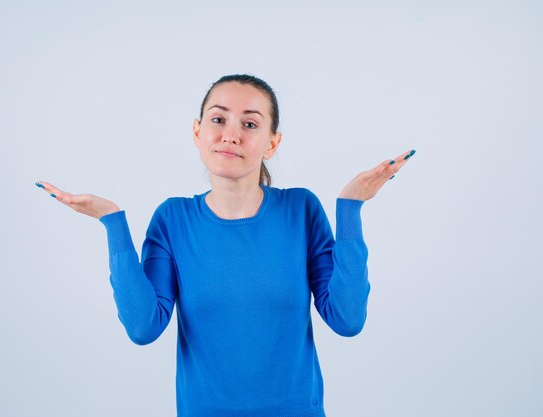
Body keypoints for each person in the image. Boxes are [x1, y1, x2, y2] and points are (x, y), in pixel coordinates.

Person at [35, 73, 415, 417]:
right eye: (218, 119)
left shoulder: (301, 210)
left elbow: (347, 319)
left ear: (272, 143)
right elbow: (143, 327)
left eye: (250, 124)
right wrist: (112, 222)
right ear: (198, 132)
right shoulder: (172, 219)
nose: (231, 134)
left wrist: (350, 209)